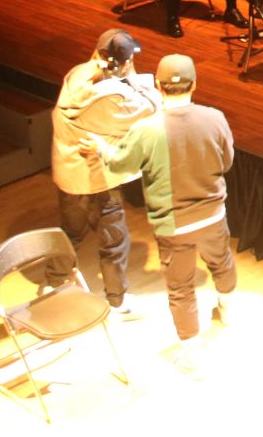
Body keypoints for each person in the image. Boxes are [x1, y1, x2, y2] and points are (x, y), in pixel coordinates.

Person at [92, 54, 236, 372]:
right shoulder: (215, 118)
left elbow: (120, 165)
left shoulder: (146, 129)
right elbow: (226, 162)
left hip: (174, 224)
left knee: (181, 288)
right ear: (194, 84)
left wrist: (102, 148)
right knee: (222, 261)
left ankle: (192, 355)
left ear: (157, 85)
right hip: (213, 213)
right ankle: (229, 312)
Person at [46, 28, 160, 317]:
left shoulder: (77, 75)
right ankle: (117, 301)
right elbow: (153, 107)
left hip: (69, 174)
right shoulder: (114, 99)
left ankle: (54, 283)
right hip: (97, 180)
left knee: (71, 231)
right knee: (114, 241)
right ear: (124, 62)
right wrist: (132, 77)